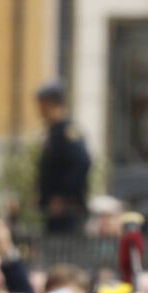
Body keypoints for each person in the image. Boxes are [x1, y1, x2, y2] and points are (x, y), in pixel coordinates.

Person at [37, 80, 92, 235]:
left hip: (67, 212)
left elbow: (82, 162)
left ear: (51, 104)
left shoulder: (67, 132)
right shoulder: (55, 131)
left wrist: (63, 197)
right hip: (55, 211)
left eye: (42, 107)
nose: (41, 113)